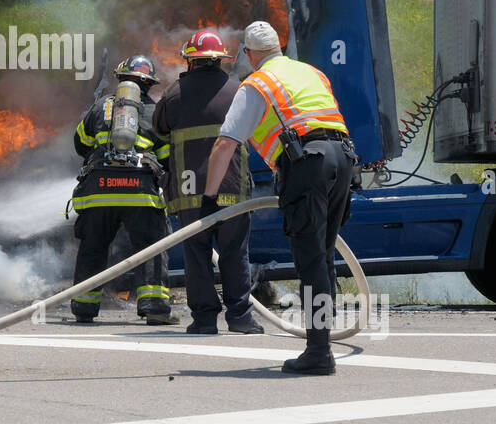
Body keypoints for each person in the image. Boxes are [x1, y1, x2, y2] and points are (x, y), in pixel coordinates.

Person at [201, 21, 356, 374]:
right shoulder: (311, 72)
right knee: (323, 255)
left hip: (308, 165)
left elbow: (225, 143)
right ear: (278, 47)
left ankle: (318, 353)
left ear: (250, 54)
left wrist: (210, 199)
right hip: (344, 158)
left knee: (311, 260)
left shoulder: (257, 83)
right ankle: (321, 343)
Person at [153, 29, 262, 335]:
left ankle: (204, 320)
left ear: (190, 60)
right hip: (233, 189)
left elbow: (159, 131)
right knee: (235, 252)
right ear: (219, 60)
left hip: (190, 195)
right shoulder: (237, 91)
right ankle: (240, 317)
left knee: (197, 258)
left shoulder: (173, 95)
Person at [70, 55, 176, 325]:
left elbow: (81, 144)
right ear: (148, 84)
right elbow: (165, 156)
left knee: (93, 248)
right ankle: (154, 308)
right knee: (150, 248)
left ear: (120, 78)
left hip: (98, 191)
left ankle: (83, 307)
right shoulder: (155, 111)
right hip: (140, 194)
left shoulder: (100, 107)